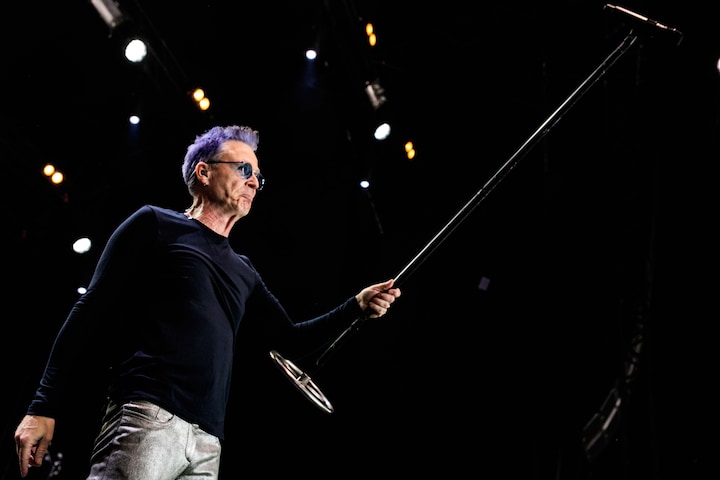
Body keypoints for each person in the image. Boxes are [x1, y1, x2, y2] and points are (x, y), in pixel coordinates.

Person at [13, 124, 401, 479]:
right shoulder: (156, 224)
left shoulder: (244, 272)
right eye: (244, 169)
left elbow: (291, 341)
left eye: (258, 176)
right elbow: (89, 311)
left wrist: (356, 305)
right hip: (148, 418)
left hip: (207, 443)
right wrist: (42, 406)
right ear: (204, 172)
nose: (254, 182)